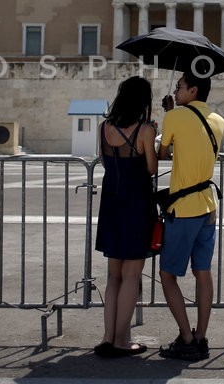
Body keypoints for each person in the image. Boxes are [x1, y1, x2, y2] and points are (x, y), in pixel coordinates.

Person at [157, 71, 224, 361]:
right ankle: (201, 337)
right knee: (203, 272)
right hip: (208, 206)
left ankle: (185, 338)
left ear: (193, 90)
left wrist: (168, 115)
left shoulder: (175, 117)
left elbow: (162, 154)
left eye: (180, 87)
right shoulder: (219, 121)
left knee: (167, 275)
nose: (176, 91)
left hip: (183, 209)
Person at [93, 76, 158, 358]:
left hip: (111, 201)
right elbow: (151, 168)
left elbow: (105, 157)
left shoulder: (104, 127)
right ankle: (120, 341)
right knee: (132, 274)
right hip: (136, 202)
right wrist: (154, 136)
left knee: (113, 275)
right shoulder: (144, 129)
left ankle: (108, 337)